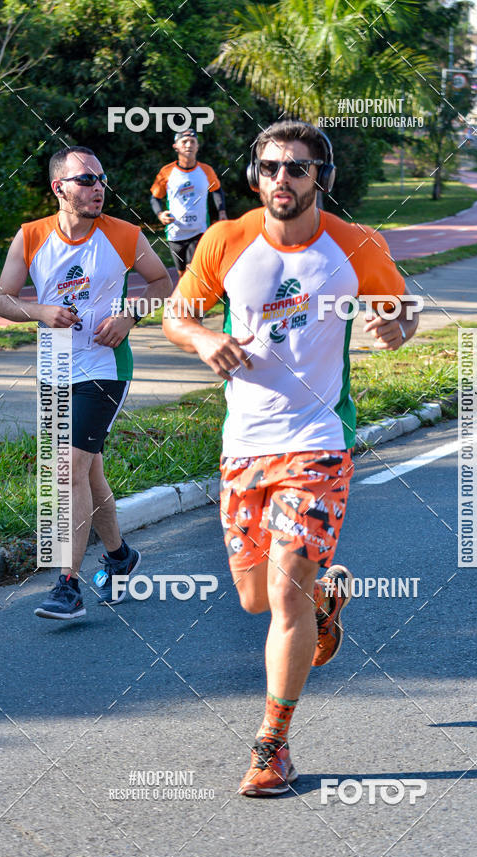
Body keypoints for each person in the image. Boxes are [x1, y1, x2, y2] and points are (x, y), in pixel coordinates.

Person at [161, 120, 419, 796]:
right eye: (272, 166)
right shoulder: (225, 240)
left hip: (318, 441)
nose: (283, 178)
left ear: (319, 180)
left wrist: (397, 324)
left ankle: (271, 745)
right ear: (255, 175)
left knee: (284, 589)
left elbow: (400, 308)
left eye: (298, 168)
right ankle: (323, 613)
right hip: (245, 445)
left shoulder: (355, 244)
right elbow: (176, 314)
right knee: (254, 599)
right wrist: (199, 339)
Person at [0, 146, 173, 620]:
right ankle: (119, 557)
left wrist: (127, 318)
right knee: (88, 473)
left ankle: (67, 586)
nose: (98, 188)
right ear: (59, 188)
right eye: (86, 180)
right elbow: (3, 300)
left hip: (105, 367)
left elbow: (161, 283)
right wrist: (40, 311)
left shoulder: (125, 234)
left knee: (68, 470)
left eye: (101, 179)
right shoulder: (31, 236)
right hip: (54, 367)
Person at [150, 127, 227, 276]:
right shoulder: (167, 172)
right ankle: (189, 298)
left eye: (192, 141)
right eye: (184, 141)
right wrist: (160, 215)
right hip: (176, 233)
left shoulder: (206, 171)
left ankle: (200, 298)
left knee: (193, 272)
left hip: (199, 231)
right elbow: (155, 198)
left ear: (197, 146)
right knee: (183, 275)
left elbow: (217, 190)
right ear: (176, 147)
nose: (188, 145)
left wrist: (222, 211)